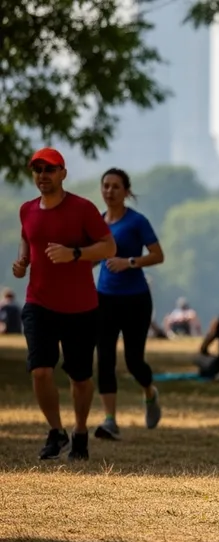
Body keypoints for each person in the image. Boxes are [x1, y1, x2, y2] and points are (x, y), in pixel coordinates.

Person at [15, 147, 116, 461]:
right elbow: (28, 237)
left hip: (80, 308)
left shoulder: (82, 208)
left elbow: (109, 247)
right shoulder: (27, 210)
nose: (43, 175)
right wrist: (23, 261)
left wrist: (74, 253)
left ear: (63, 173)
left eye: (49, 169)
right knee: (40, 371)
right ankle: (56, 431)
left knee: (80, 377)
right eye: (38, 170)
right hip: (38, 302)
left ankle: (80, 431)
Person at [93, 168, 164, 440]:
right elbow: (94, 256)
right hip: (104, 298)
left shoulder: (137, 221)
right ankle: (110, 420)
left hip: (135, 299)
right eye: (106, 186)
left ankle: (149, 392)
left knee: (134, 361)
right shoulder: (98, 223)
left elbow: (158, 255)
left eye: (115, 186)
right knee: (105, 358)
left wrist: (129, 262)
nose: (109, 191)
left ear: (126, 191)